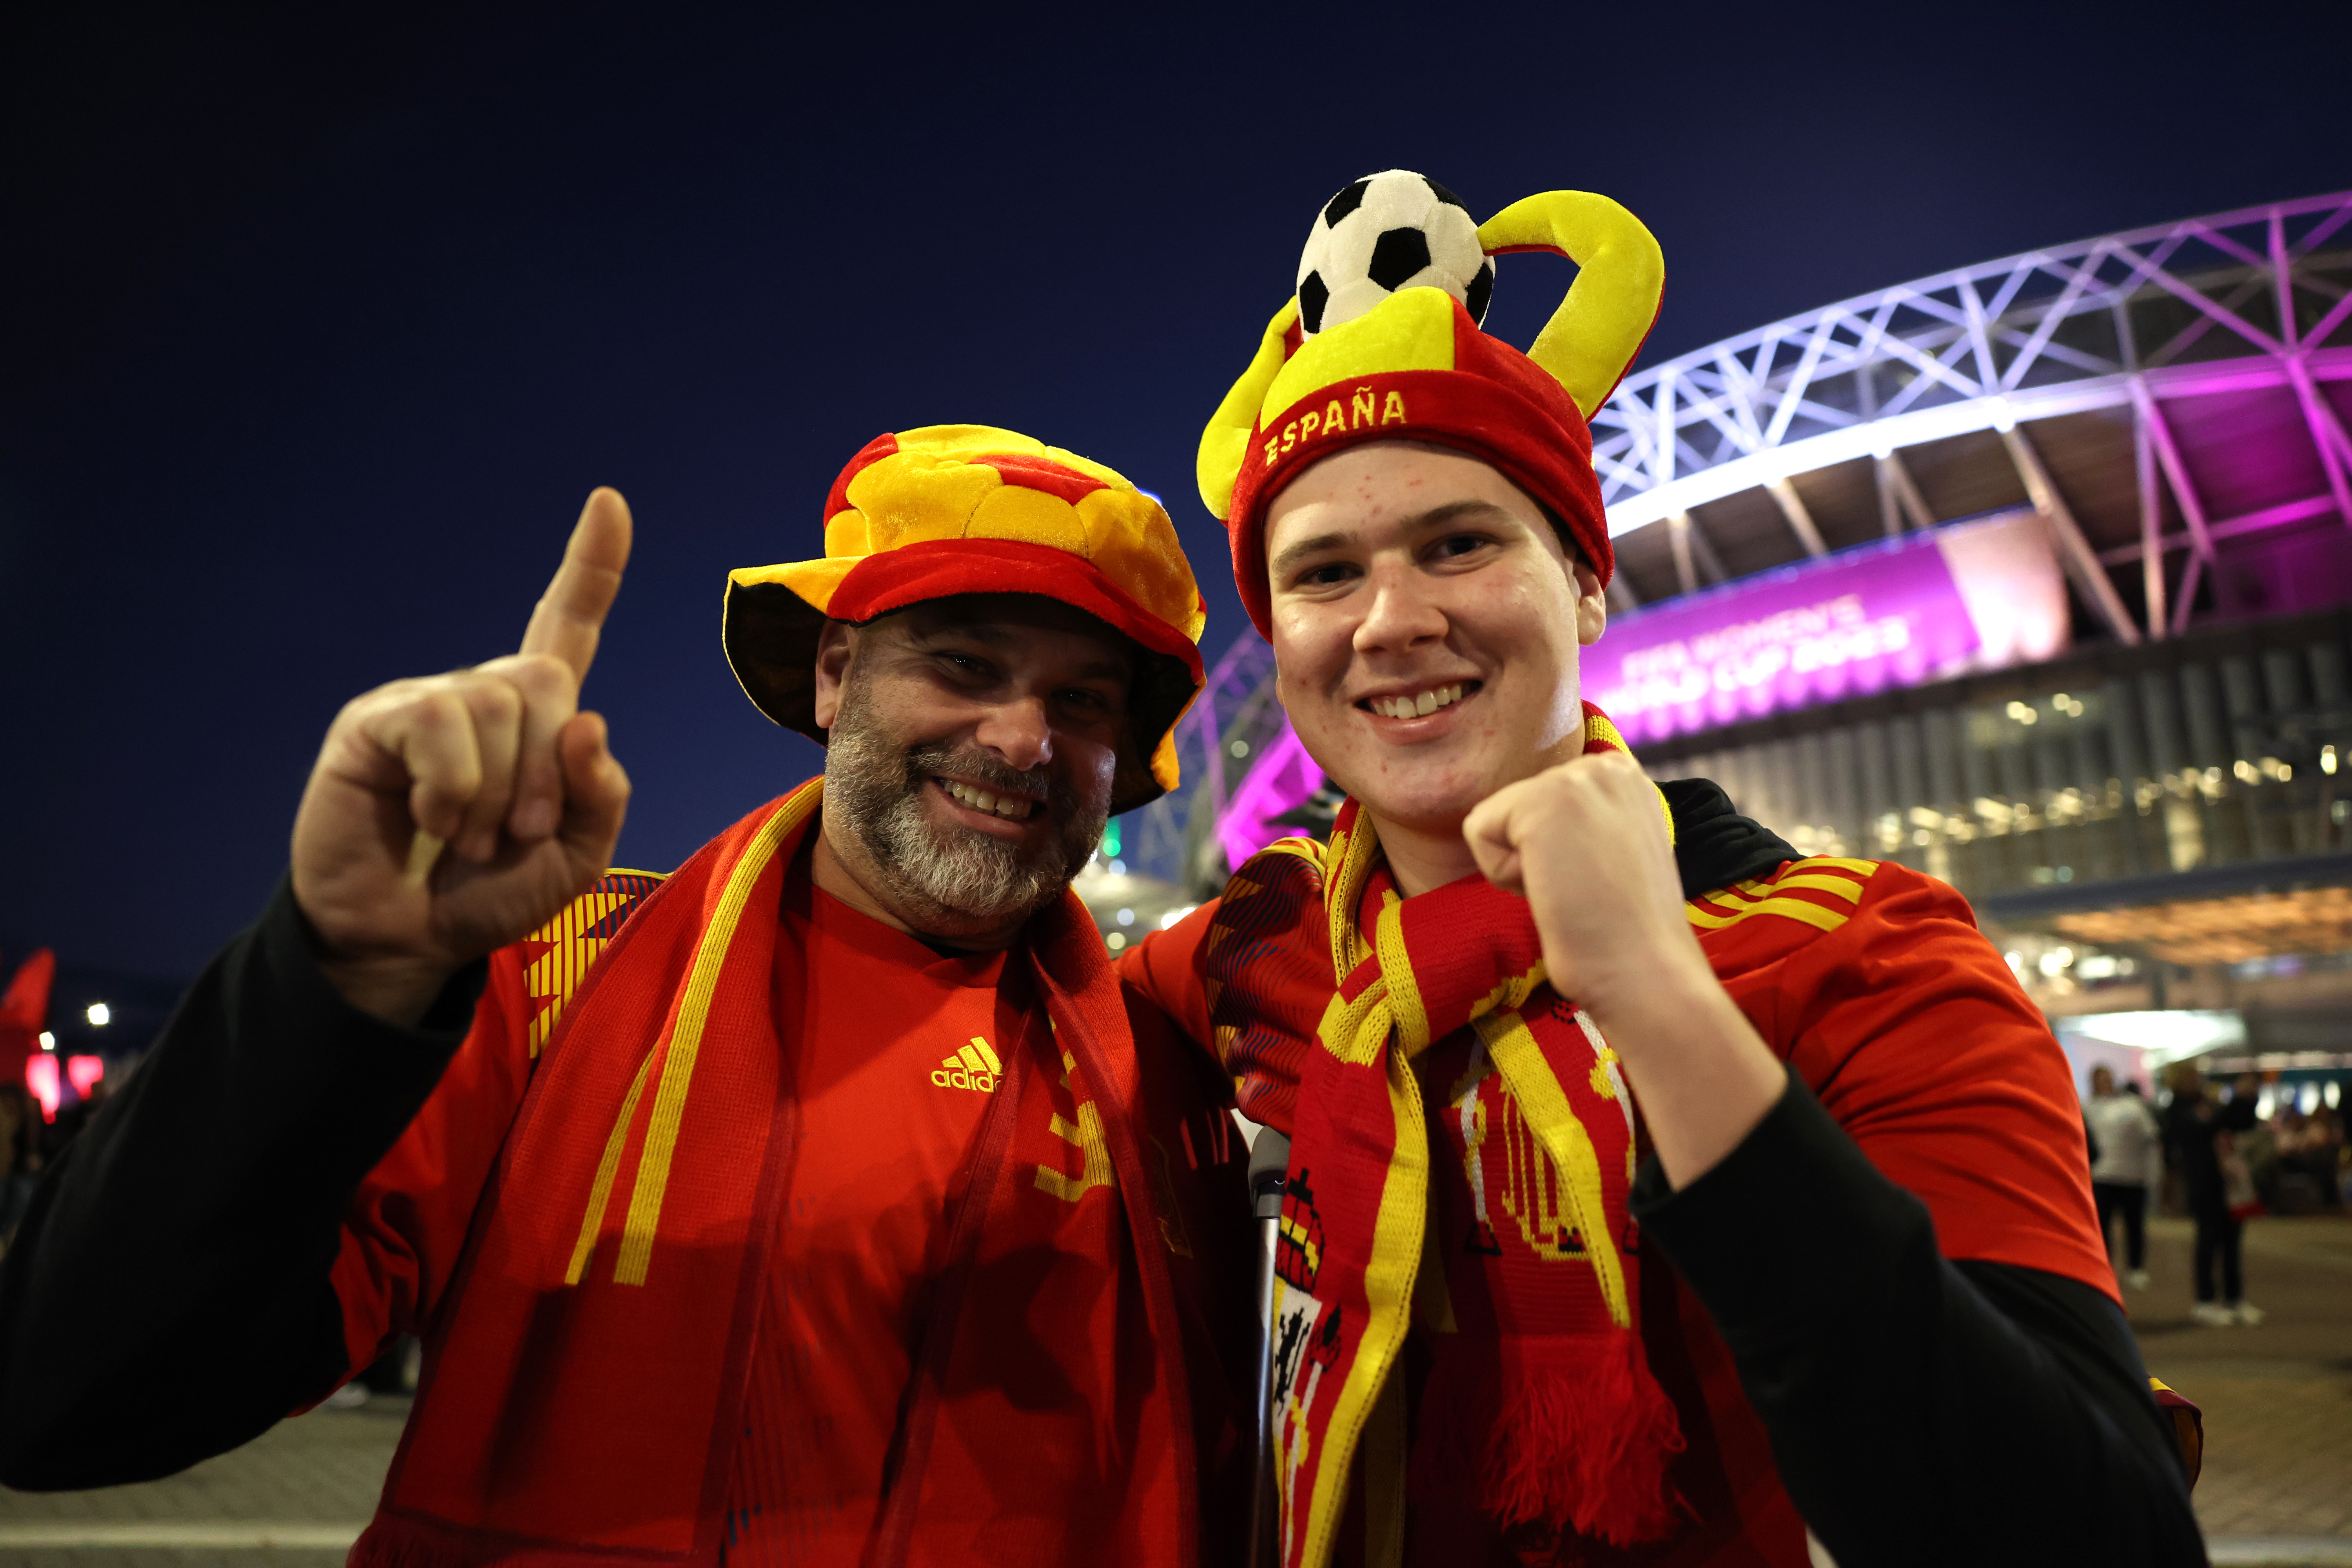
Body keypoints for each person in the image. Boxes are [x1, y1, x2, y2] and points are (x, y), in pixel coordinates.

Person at [1123, 175, 2201, 1566]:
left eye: (1460, 542)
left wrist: (1654, 994)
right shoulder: (1237, 956)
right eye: (1324, 573)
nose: (1391, 619)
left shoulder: (1862, 955)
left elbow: (2094, 1539)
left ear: (1584, 582)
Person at [0, 426, 1257, 1568]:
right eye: (964, 662)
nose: (1021, 737)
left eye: (1081, 700)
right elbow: (65, 1396)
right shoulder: (554, 983)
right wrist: (329, 974)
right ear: (832, 676)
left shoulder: (1181, 1053)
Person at [2162, 1063, 2263, 1327]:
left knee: (2232, 1242)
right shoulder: (2178, 1110)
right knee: (2208, 1244)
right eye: (2192, 1076)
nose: (2198, 1080)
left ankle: (2234, 1298)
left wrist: (2249, 1099)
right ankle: (2204, 1301)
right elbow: (2208, 1130)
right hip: (2204, 1184)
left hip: (2226, 1183)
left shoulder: (2207, 1103)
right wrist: (2237, 1099)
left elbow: (2240, 1124)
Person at [2085, 1065, 2162, 1290]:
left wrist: (2151, 1173)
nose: (2106, 1082)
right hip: (2101, 1176)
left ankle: (2136, 1268)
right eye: (2102, 1079)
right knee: (2102, 1227)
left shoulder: (2133, 1106)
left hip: (2132, 1176)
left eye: (2109, 1077)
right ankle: (2104, 1268)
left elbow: (2151, 1137)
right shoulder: (2087, 1107)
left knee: (2135, 1225)